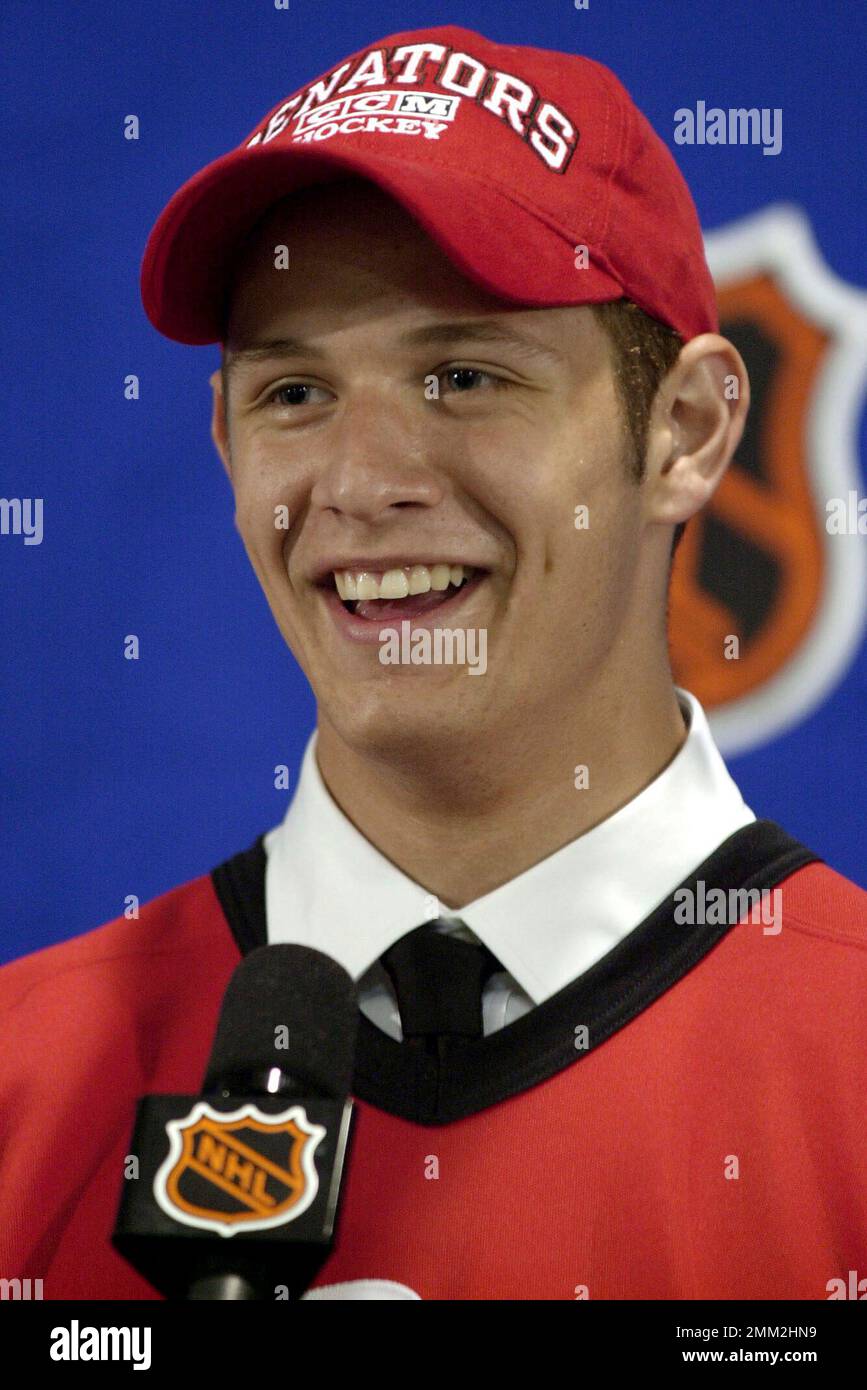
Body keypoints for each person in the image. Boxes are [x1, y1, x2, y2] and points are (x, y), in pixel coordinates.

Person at [1, 23, 865, 1302]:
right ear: (227, 444)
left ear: (685, 431)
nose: (359, 485)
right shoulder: (22, 1079)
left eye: (464, 375)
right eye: (293, 394)